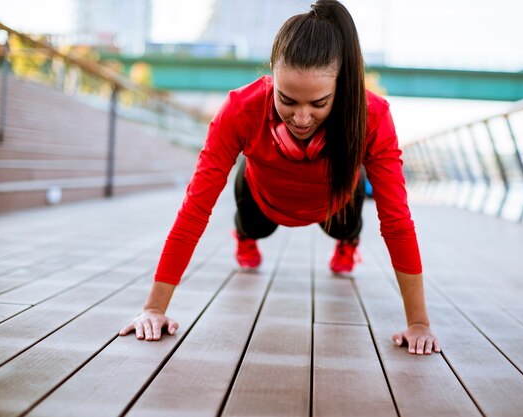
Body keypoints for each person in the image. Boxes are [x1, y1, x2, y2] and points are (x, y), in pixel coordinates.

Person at [120, 0, 441, 355]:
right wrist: (154, 308)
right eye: (287, 100)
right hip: (263, 200)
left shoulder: (372, 115)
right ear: (272, 75)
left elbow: (396, 219)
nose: (301, 119)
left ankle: (348, 243)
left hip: (334, 203)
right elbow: (196, 207)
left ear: (341, 85)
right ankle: (245, 236)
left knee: (349, 210)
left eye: (318, 104)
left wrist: (419, 323)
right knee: (251, 217)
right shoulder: (241, 109)